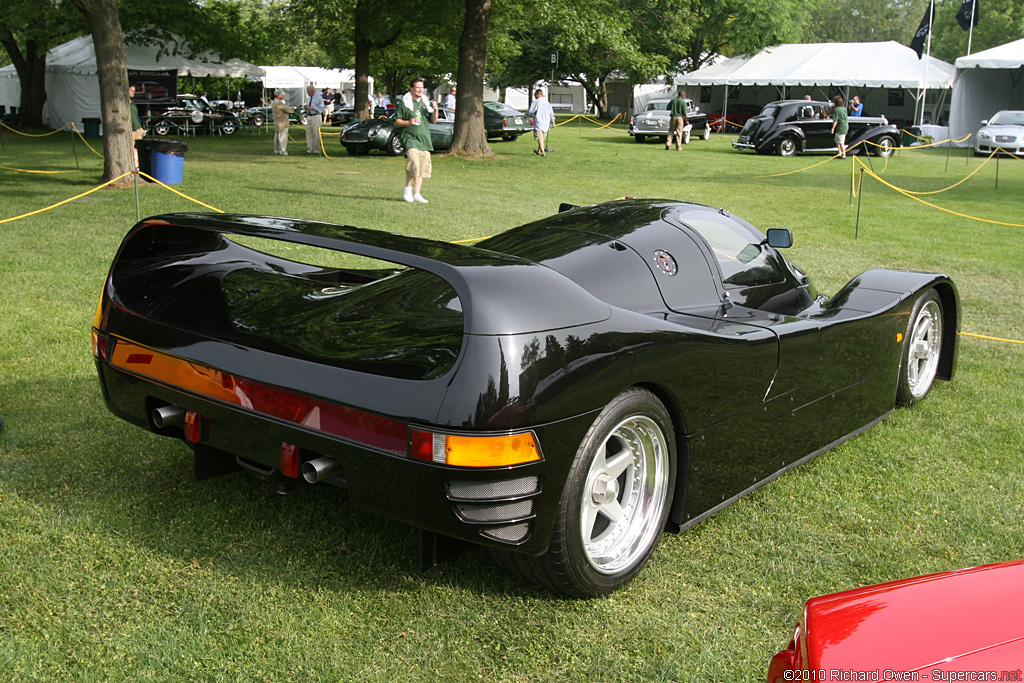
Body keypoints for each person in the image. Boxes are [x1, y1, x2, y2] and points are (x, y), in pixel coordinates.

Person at [394, 77, 437, 203]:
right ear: (411, 88)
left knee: (423, 166)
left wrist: (435, 110)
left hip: (424, 138)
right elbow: (396, 121)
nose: (420, 90)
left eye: (422, 88)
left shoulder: (425, 103)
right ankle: (407, 188)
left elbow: (434, 120)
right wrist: (409, 122)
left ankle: (417, 193)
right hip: (409, 138)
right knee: (414, 163)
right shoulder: (404, 103)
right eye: (418, 87)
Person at [526, 88, 555, 157]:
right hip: (546, 124)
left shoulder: (536, 102)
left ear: (538, 94)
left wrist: (526, 116)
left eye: (535, 94)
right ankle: (538, 151)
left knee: (540, 138)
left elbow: (530, 111)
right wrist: (553, 122)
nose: (535, 96)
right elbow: (551, 113)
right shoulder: (547, 103)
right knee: (542, 138)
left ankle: (543, 152)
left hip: (538, 123)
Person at [302, 85, 324, 154]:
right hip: (309, 116)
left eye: (308, 91)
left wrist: (313, 108)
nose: (307, 93)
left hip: (316, 116)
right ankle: (309, 149)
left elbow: (321, 108)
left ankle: (316, 149)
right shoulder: (309, 98)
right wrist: (306, 107)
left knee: (315, 133)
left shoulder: (319, 98)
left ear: (311, 91)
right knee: (309, 133)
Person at [271, 90, 294, 156]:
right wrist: (293, 108)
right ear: (278, 95)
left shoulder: (274, 102)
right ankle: (282, 151)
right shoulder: (279, 103)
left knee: (277, 137)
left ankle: (277, 150)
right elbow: (287, 110)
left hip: (277, 122)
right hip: (282, 122)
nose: (283, 96)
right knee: (282, 137)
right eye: (281, 94)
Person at [128, 85, 145, 170]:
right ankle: (134, 165)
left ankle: (139, 164)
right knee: (132, 147)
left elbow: (136, 115)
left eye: (134, 91)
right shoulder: (125, 103)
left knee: (138, 147)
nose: (133, 92)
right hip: (131, 129)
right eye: (131, 90)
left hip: (137, 128)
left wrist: (141, 127)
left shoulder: (133, 102)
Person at [831, 95, 849, 159]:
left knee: (841, 142)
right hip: (845, 125)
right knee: (837, 140)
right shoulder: (844, 108)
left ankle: (844, 155)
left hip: (841, 126)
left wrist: (833, 128)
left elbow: (835, 120)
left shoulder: (836, 109)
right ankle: (839, 153)